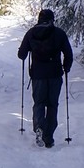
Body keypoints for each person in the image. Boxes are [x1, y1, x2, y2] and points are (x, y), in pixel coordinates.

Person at [17, 8, 74, 148]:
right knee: (52, 105)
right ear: (52, 19)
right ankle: (49, 137)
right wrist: (66, 67)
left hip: (38, 75)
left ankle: (39, 127)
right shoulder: (59, 33)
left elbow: (21, 55)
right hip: (55, 75)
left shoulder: (31, 33)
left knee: (39, 103)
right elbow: (68, 53)